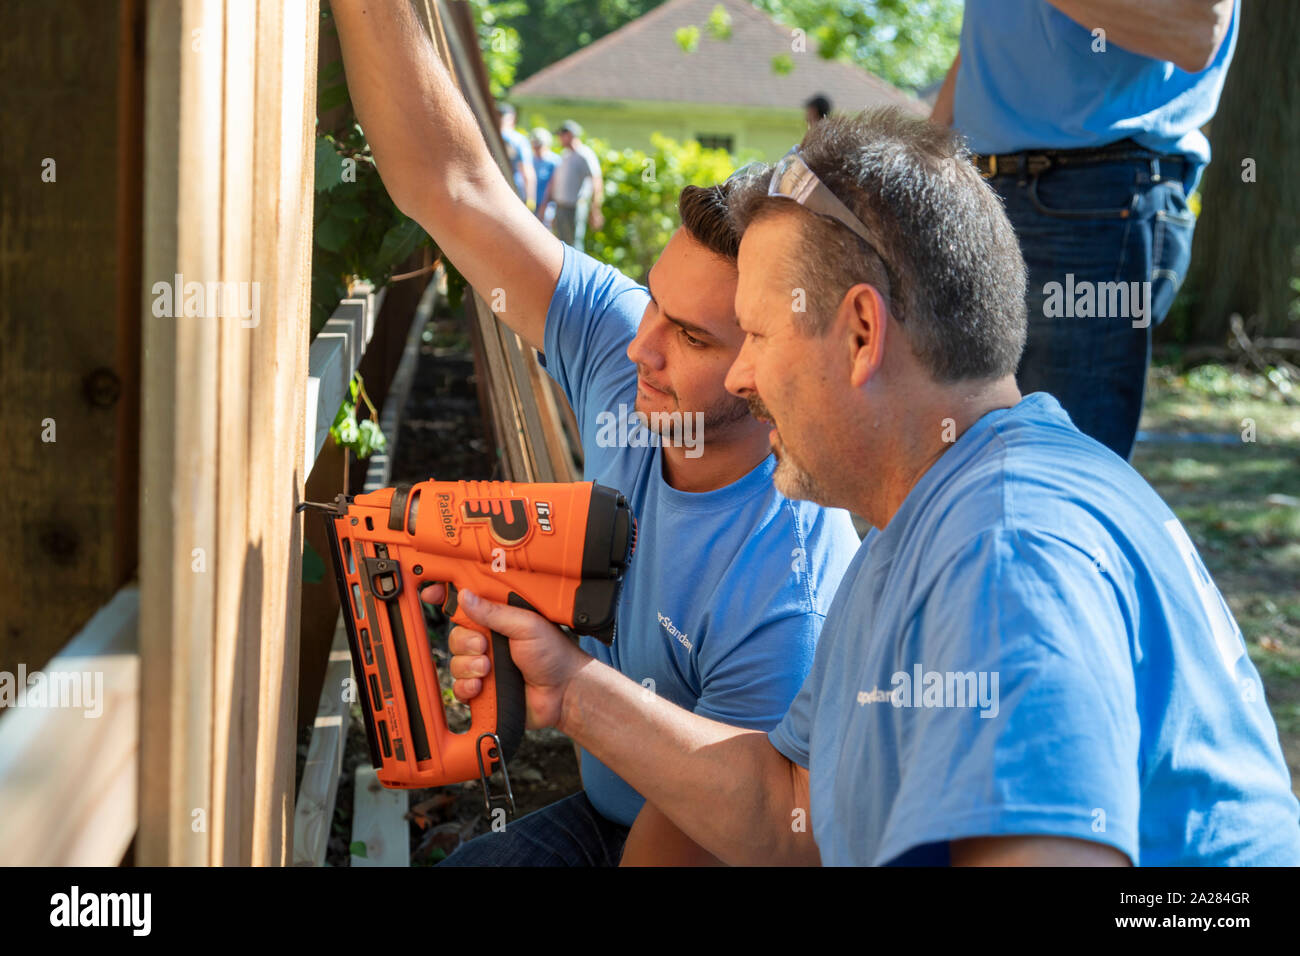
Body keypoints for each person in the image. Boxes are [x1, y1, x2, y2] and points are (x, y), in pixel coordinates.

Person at [443, 108, 1300, 866]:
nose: (740, 378)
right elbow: (790, 820)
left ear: (859, 332)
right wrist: (569, 690)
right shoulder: (918, 529)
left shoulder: (1007, 552)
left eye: (755, 334)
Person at [333, 0, 861, 866]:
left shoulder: (785, 591)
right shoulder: (635, 359)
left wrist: (570, 683)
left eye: (692, 337)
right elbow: (449, 185)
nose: (639, 347)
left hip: (711, 838)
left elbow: (709, 836)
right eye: (653, 298)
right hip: (612, 799)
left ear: (771, 366)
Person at [930, 0, 1239, 460]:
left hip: (1094, 198)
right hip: (978, 191)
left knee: (1059, 469)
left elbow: (1196, 31)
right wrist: (927, 160)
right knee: (958, 461)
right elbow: (983, 50)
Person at [542, 120, 604, 252]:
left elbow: (596, 181)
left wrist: (595, 208)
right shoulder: (565, 155)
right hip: (560, 205)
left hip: (574, 206)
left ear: (569, 135)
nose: (559, 139)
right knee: (560, 243)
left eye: (561, 135)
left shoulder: (584, 155)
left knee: (574, 244)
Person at [497, 102, 536, 210]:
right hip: (514, 192)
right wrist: (530, 198)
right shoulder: (519, 140)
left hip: (492, 190)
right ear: (512, 119)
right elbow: (527, 170)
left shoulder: (486, 136)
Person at [530, 127, 560, 228]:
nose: (536, 148)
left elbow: (553, 185)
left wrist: (544, 206)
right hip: (531, 203)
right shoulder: (530, 159)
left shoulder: (554, 161)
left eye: (539, 145)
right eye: (534, 145)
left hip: (548, 206)